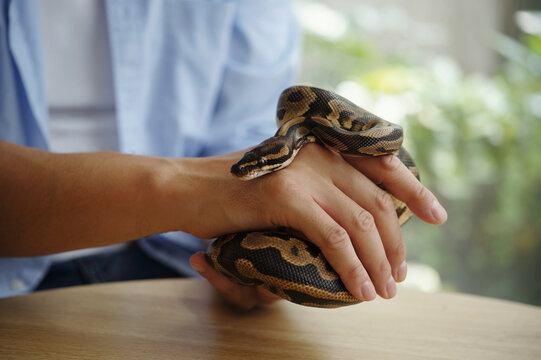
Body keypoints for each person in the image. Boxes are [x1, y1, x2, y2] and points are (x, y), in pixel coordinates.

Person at [0, 0, 447, 310]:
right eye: (256, 166)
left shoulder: (289, 126)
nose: (248, 170)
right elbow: (231, 174)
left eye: (259, 165)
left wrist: (279, 234)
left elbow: (240, 143)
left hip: (175, 271)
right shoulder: (288, 134)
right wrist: (189, 190)